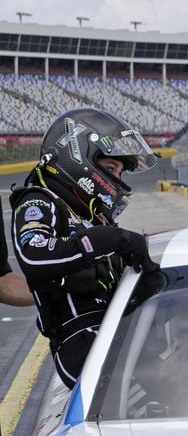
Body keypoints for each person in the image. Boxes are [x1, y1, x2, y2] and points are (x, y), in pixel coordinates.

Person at [10, 107, 159, 388]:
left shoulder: (88, 216)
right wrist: (111, 239)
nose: (118, 179)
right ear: (79, 156)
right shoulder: (39, 201)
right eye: (112, 168)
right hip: (82, 346)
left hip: (111, 334)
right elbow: (35, 253)